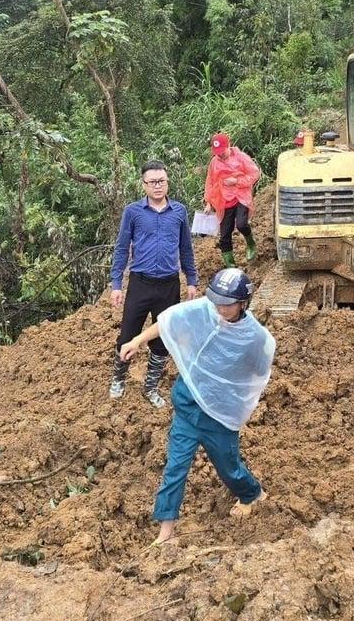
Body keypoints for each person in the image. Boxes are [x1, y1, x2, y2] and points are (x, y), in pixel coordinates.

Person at [119, 268, 275, 544]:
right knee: (175, 468)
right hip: (188, 409)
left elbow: (257, 373)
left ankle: (252, 493)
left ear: (243, 304)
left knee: (229, 467)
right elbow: (169, 322)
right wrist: (137, 340)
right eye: (217, 301)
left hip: (219, 417)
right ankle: (166, 533)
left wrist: (231, 390)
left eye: (228, 304)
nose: (220, 308)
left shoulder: (254, 338)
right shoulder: (205, 311)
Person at [109, 160, 198, 408]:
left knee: (164, 337)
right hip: (140, 284)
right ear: (144, 184)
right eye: (152, 182)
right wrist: (116, 283)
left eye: (162, 181)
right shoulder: (133, 212)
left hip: (169, 285)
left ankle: (150, 386)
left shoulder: (179, 212)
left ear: (168, 182)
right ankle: (119, 379)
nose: (158, 186)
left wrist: (191, 280)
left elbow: (186, 248)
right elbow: (122, 247)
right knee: (128, 332)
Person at [204, 133, 261, 268]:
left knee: (242, 224)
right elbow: (210, 182)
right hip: (224, 200)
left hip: (240, 196)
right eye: (217, 153)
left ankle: (251, 243)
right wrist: (208, 203)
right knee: (224, 236)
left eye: (222, 151)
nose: (220, 155)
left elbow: (254, 173)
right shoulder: (214, 163)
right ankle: (231, 266)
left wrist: (236, 181)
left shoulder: (241, 157)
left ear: (228, 145)